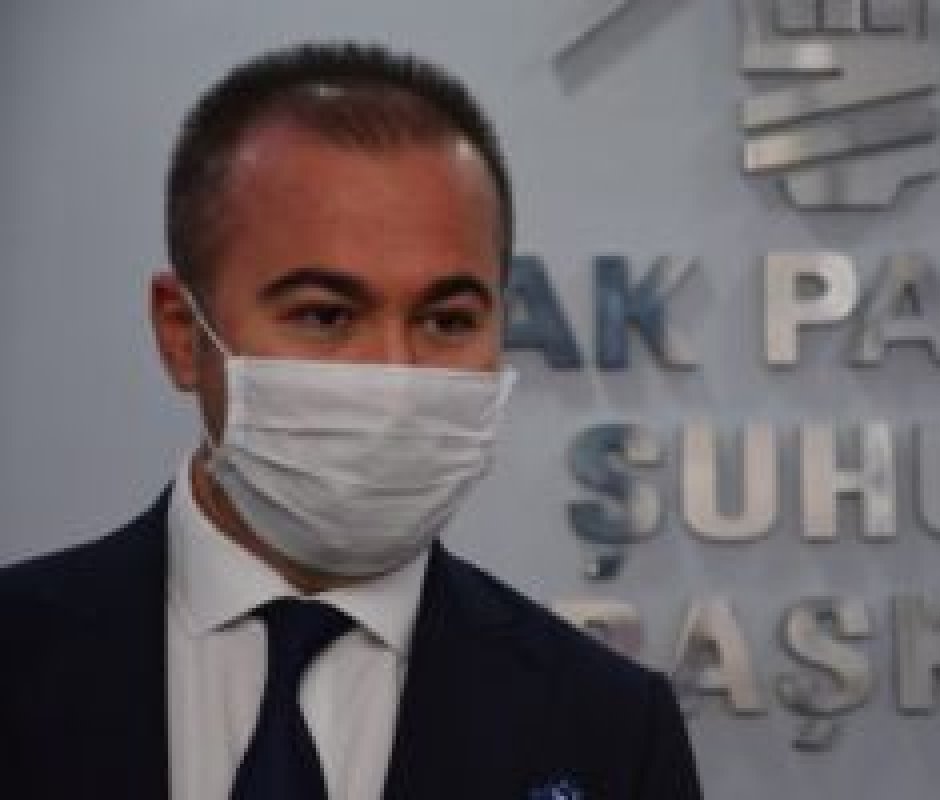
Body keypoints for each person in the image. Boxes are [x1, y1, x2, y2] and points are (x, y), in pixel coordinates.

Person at [0, 41, 703, 799]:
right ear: (181, 332)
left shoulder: (611, 730)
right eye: (325, 315)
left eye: (446, 320)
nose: (394, 379)